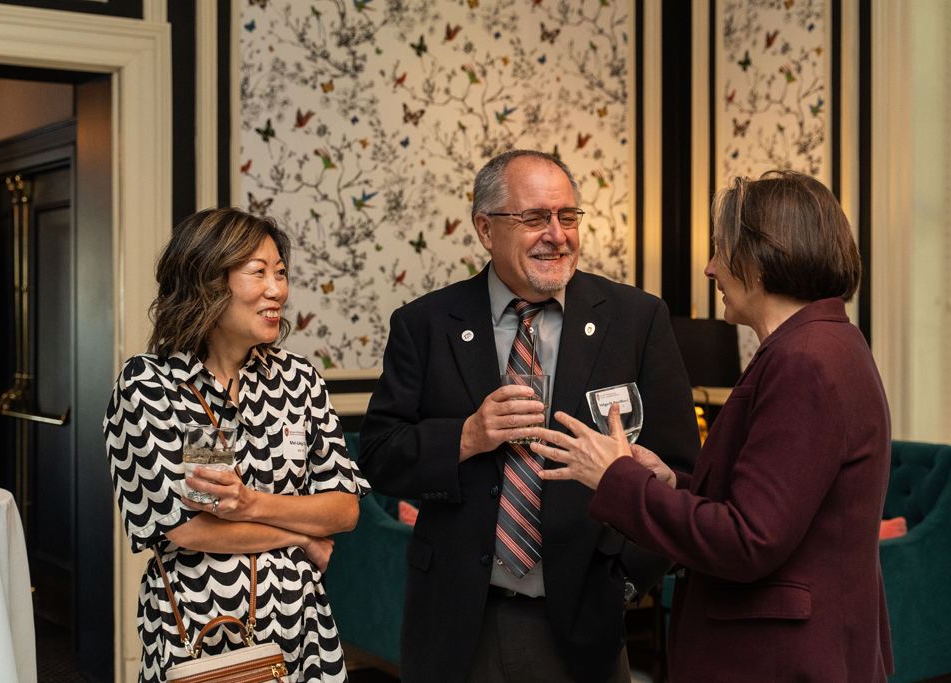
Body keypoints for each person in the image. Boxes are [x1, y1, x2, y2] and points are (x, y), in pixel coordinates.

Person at [531, 171, 895, 682]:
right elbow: (774, 507)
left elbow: (747, 541)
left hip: (777, 660)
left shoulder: (803, 362)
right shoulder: (830, 343)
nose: (710, 268)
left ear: (764, 258)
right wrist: (671, 484)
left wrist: (617, 477)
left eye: (722, 251)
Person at [358, 150, 701, 683]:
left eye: (567, 217)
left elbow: (680, 475)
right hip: (457, 624)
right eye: (535, 218)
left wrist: (623, 580)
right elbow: (379, 456)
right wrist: (467, 436)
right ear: (485, 228)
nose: (557, 235)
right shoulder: (425, 324)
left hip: (585, 629)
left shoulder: (636, 320)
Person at [103, 208, 369, 683]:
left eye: (281, 273)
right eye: (258, 272)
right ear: (207, 280)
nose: (277, 290)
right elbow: (193, 529)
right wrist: (301, 534)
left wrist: (250, 503)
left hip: (301, 623)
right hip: (201, 627)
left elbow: (343, 509)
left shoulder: (297, 379)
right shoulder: (156, 385)